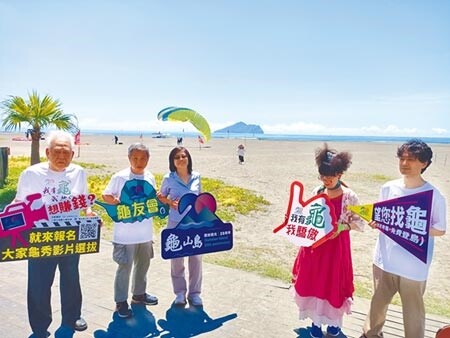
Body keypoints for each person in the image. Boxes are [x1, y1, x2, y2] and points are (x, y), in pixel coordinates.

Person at [361, 139, 447, 338]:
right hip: (384, 259)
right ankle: (371, 334)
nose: (405, 163)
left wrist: (411, 224)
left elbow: (440, 230)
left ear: (424, 163)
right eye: (402, 158)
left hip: (413, 264)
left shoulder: (433, 195)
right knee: (378, 303)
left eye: (412, 159)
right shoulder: (388, 188)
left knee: (413, 310)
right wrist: (376, 222)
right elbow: (380, 217)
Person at [15, 130, 95, 338]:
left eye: (66, 152)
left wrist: (89, 213)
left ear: (73, 153)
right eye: (57, 152)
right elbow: (18, 203)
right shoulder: (31, 174)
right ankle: (40, 327)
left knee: (71, 277)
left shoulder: (78, 173)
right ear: (47, 152)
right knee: (39, 283)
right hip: (40, 237)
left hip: (69, 235)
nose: (61, 156)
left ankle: (72, 317)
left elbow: (85, 202)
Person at [292, 144, 365, 338]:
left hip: (336, 249)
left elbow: (359, 223)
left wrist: (342, 227)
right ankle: (315, 323)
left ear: (340, 174)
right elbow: (308, 215)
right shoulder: (318, 190)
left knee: (333, 283)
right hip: (315, 247)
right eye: (322, 176)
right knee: (315, 282)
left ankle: (334, 324)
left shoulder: (350, 196)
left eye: (330, 176)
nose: (326, 180)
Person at [102, 143, 158, 318]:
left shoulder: (149, 177)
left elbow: (153, 198)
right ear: (129, 158)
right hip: (124, 234)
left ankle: (139, 295)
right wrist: (115, 200)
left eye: (143, 158)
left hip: (145, 232)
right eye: (135, 158)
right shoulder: (120, 177)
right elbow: (106, 195)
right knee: (124, 267)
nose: (139, 161)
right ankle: (120, 302)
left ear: (148, 159)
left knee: (143, 265)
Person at [158, 146, 203, 306]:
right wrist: (170, 202)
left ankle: (195, 294)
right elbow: (160, 196)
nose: (181, 159)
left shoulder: (197, 176)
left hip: (194, 223)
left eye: (184, 156)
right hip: (175, 222)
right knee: (177, 259)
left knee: (196, 258)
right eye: (177, 157)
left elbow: (201, 198)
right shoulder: (169, 178)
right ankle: (180, 293)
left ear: (188, 158)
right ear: (173, 162)